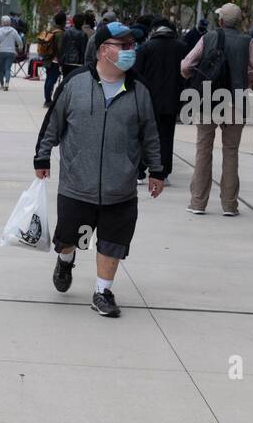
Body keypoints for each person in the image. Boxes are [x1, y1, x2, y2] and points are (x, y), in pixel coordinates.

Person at [34, 22, 164, 318]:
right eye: (124, 46)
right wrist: (42, 158)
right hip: (77, 183)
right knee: (70, 238)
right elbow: (53, 124)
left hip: (121, 187)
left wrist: (156, 170)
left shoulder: (139, 89)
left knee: (112, 242)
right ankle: (65, 260)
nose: (132, 50)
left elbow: (151, 134)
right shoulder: (75, 83)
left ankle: (102, 291)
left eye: (133, 45)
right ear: (105, 50)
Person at [180, 2, 253, 216]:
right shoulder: (247, 42)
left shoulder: (208, 37)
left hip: (206, 99)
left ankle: (197, 203)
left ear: (221, 20)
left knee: (203, 150)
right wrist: (246, 80)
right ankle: (229, 205)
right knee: (231, 152)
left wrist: (193, 76)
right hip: (236, 101)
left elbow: (185, 65)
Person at [133, 17, 189, 186]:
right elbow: (187, 75)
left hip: (148, 100)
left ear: (154, 31)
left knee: (144, 136)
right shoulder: (182, 48)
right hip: (172, 100)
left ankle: (140, 171)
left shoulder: (145, 48)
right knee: (166, 137)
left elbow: (136, 74)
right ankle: (163, 172)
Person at [38, 11, 65, 106]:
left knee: (48, 79)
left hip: (47, 59)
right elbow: (60, 48)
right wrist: (62, 61)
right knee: (51, 80)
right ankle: (48, 100)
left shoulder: (50, 30)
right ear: (63, 21)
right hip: (55, 61)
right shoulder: (60, 33)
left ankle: (47, 99)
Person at [0, 15, 24, 90]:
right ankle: (7, 83)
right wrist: (20, 48)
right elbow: (19, 41)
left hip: (1, 52)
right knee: (7, 68)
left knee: (0, 69)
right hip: (11, 52)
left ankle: (2, 84)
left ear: (2, 22)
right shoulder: (13, 31)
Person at [58, 12, 90, 83]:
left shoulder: (67, 32)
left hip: (66, 62)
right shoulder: (83, 35)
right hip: (78, 63)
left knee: (65, 81)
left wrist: (60, 60)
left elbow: (62, 48)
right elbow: (84, 50)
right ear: (83, 23)